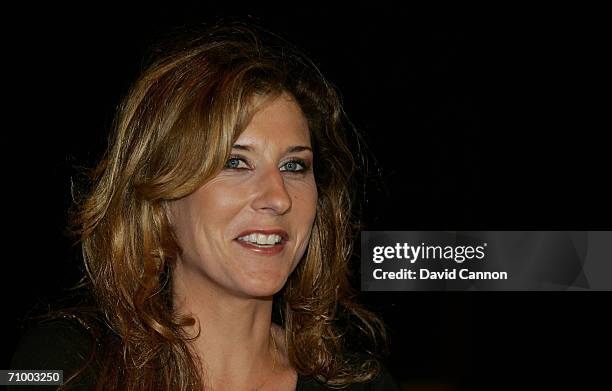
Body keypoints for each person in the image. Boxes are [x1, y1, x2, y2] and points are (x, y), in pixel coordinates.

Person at [10, 22, 401, 390]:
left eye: (294, 165)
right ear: (161, 194)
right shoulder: (65, 364)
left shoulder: (361, 383)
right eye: (235, 162)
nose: (279, 197)